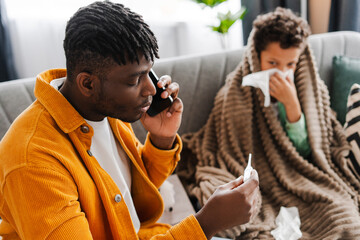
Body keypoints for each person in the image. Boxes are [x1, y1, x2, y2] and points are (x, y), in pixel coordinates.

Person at [0, 1, 260, 240]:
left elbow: (131, 192)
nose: (150, 88)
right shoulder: (32, 162)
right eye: (135, 80)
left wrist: (161, 137)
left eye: (149, 72)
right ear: (87, 83)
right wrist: (205, 224)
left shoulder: (102, 110)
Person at [178, 7, 360, 239]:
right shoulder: (233, 94)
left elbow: (312, 151)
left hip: (302, 176)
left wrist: (293, 107)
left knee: (342, 215)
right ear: (256, 57)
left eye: (290, 65)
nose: (281, 73)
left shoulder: (309, 93)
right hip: (262, 179)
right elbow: (230, 150)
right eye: (272, 62)